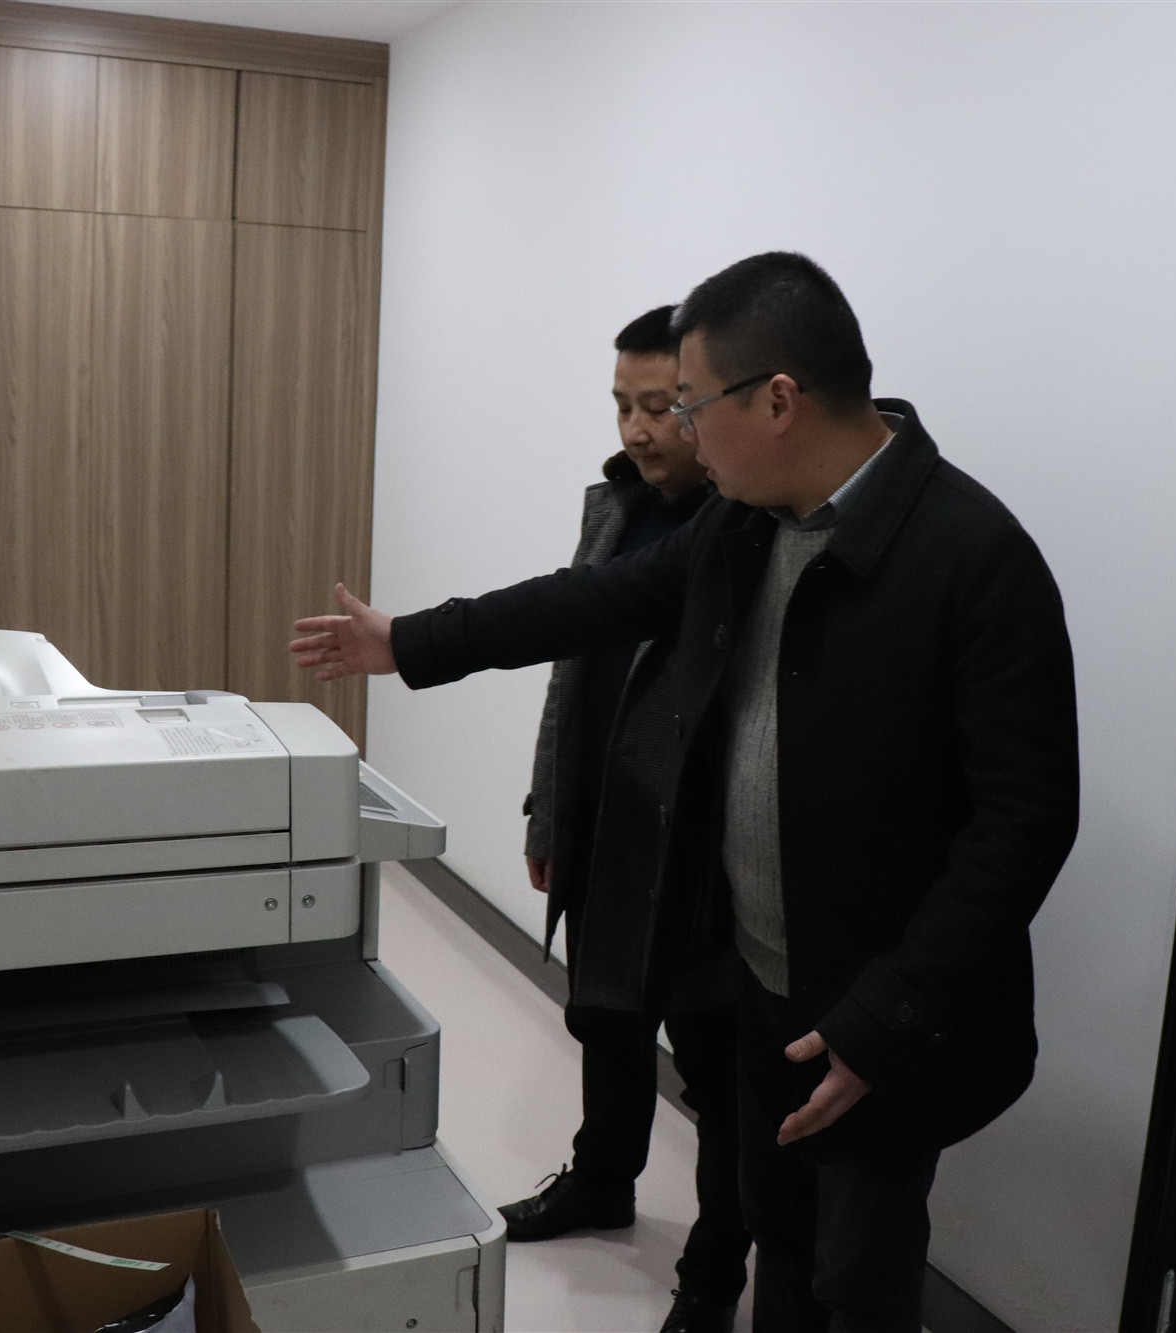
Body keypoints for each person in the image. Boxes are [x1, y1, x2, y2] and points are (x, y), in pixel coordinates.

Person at [291, 252, 1079, 1332]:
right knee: (781, 1240)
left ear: (778, 400)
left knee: (859, 1276)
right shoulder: (745, 524)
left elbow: (1024, 823)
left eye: (693, 405)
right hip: (763, 982)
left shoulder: (973, 558)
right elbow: (594, 599)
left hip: (883, 1017)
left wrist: (883, 1021)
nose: (683, 435)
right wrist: (413, 641)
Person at [505, 304, 751, 1333]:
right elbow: (571, 671)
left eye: (659, 407)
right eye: (622, 406)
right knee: (603, 1021)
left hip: (691, 860)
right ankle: (602, 1179)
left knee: (722, 1082)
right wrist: (546, 810)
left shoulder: (745, 529)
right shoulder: (610, 508)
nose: (637, 430)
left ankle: (710, 1277)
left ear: (703, 400)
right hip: (601, 823)